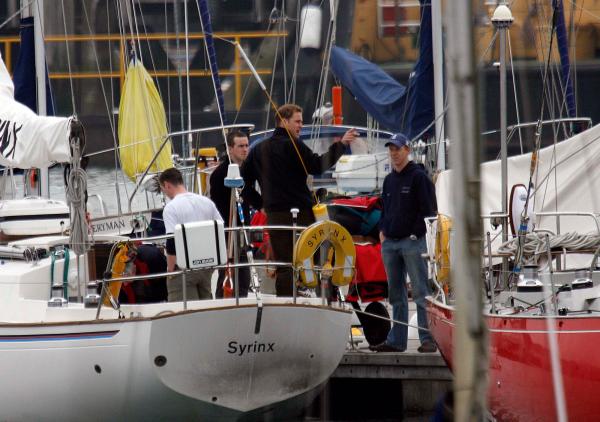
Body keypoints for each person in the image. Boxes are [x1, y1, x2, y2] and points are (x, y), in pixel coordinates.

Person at [241, 104, 357, 296]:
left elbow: (243, 184)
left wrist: (260, 204)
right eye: (298, 121)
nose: (301, 126)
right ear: (284, 122)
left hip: (276, 216)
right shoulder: (293, 145)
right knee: (319, 258)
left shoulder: (258, 149)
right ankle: (325, 299)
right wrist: (342, 145)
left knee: (285, 265)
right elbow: (318, 166)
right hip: (303, 213)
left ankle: (286, 305)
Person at [371, 133, 438, 353]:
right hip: (390, 243)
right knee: (396, 295)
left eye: (398, 149)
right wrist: (382, 229)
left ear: (407, 150)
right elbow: (385, 208)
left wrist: (414, 233)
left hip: (412, 242)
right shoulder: (390, 180)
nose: (394, 154)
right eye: (391, 150)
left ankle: (427, 338)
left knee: (420, 292)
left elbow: (429, 210)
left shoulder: (418, 177)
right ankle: (396, 341)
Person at [159, 167, 223, 301]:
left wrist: (170, 270)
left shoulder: (171, 208)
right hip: (206, 267)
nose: (164, 192)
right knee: (205, 307)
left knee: (183, 312)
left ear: (166, 185)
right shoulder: (207, 202)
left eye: (163, 189)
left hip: (183, 268)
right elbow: (220, 229)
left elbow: (172, 241)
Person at [210, 130, 251, 298]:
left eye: (247, 145)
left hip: (243, 230)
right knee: (228, 275)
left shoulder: (246, 171)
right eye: (240, 146)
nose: (245, 149)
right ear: (230, 149)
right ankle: (221, 304)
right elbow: (218, 207)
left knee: (244, 277)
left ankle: (242, 302)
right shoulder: (220, 174)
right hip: (228, 232)